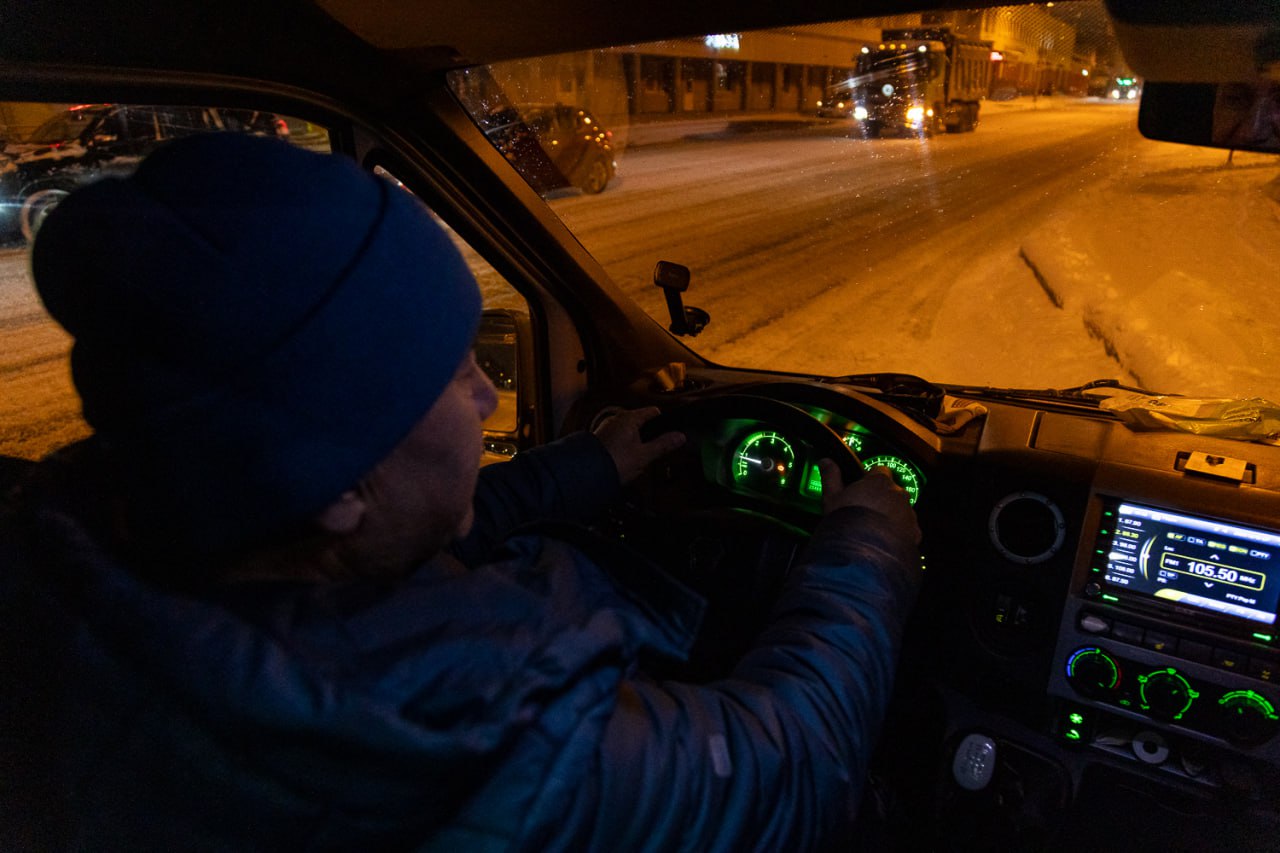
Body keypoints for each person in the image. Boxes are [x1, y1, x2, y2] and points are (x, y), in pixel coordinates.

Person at [0, 132, 921, 850]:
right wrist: (865, 546)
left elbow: (382, 552)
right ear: (335, 488)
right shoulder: (479, 738)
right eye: (450, 377)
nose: (487, 394)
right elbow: (798, 762)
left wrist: (579, 470)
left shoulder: (75, 550)